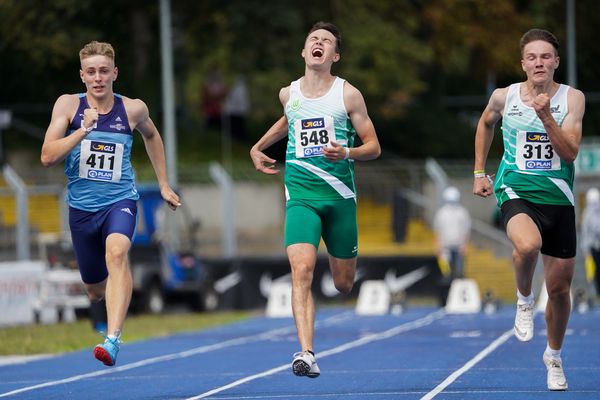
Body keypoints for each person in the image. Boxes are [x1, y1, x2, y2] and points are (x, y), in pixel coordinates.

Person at [250, 21, 380, 378]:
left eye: (326, 41)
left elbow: (374, 146)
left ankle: (340, 271)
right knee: (301, 270)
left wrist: (347, 152)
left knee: (343, 284)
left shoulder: (348, 95)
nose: (319, 44)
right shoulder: (288, 94)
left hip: (339, 199)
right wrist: (258, 147)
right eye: (313, 40)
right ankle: (306, 352)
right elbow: (288, 121)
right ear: (304, 52)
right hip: (301, 197)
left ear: (334, 55)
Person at [41, 41, 181, 367]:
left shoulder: (132, 109)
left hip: (120, 200)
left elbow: (152, 136)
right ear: (82, 76)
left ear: (115, 73)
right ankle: (103, 304)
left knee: (118, 252)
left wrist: (162, 183)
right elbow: (47, 156)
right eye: (91, 72)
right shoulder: (68, 107)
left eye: (104, 71)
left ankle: (113, 339)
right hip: (81, 209)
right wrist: (83, 131)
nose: (98, 77)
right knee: (93, 288)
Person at [473, 29, 585, 391]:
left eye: (546, 56)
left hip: (559, 200)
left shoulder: (573, 99)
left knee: (561, 290)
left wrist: (547, 116)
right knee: (527, 245)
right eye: (532, 57)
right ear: (523, 63)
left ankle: (553, 356)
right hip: (515, 188)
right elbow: (485, 124)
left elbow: (569, 153)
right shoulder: (504, 97)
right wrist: (479, 171)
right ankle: (523, 299)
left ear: (555, 62)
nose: (539, 63)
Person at [433, 186, 471, 281]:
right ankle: (447, 291)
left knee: (459, 272)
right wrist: (438, 245)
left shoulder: (462, 212)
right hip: (445, 245)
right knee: (446, 272)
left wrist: (465, 245)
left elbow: (466, 230)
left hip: (459, 246)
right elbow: (438, 230)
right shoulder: (441, 213)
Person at [581, 187, 600, 295]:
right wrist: (586, 249)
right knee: (596, 271)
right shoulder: (587, 214)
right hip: (594, 247)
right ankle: (597, 292)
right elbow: (585, 232)